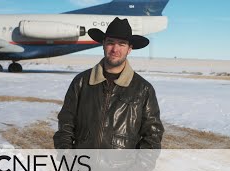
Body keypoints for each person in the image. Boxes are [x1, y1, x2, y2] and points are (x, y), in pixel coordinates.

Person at [53, 17, 164, 149]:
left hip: (123, 168)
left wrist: (137, 167)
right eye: (111, 42)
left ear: (129, 49)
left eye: (122, 44)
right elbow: (66, 124)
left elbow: (153, 134)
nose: (115, 49)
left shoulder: (143, 89)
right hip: (83, 166)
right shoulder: (81, 82)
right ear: (103, 44)